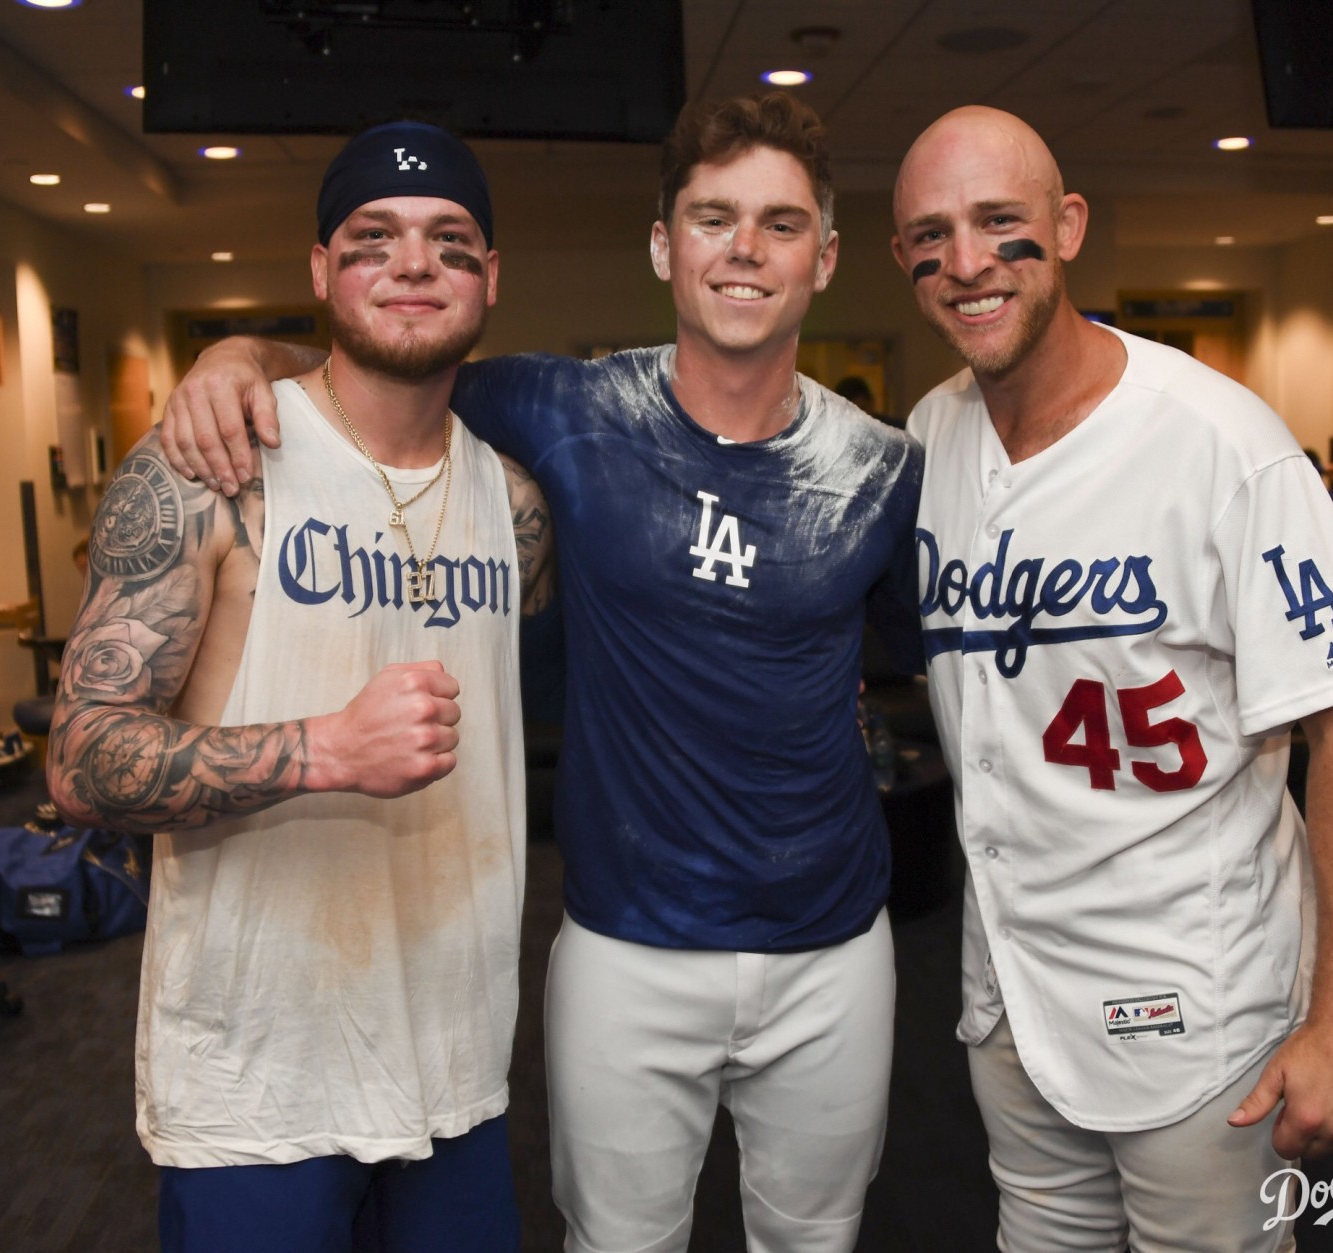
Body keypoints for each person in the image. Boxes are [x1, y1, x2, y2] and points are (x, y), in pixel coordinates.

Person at [156, 94, 922, 1253]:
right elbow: (383, 352)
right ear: (664, 244)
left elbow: (930, 660)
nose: (744, 248)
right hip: (626, 942)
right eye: (712, 218)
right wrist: (235, 354)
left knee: (814, 1238)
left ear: (824, 253)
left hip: (830, 945)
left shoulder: (881, 468)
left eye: (779, 221)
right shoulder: (565, 408)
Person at [891, 106, 1333, 1250]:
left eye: (998, 222)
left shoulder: (1219, 442)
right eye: (931, 232)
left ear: (1066, 226)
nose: (965, 260)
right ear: (901, 260)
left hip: (1199, 1012)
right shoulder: (928, 440)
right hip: (1013, 1001)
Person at [48, 121, 554, 1253]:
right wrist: (323, 750)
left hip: (454, 1068)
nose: (414, 263)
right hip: (257, 1087)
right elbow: (79, 759)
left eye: (450, 240)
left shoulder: (515, 507)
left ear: (489, 277)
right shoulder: (212, 470)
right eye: (372, 237)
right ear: (321, 270)